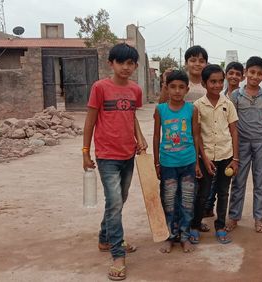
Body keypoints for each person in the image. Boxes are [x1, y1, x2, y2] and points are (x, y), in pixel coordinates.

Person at [82, 43, 148, 281]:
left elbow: (131, 117)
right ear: (111, 63)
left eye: (130, 63)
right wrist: (85, 152)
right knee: (115, 202)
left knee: (118, 200)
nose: (126, 67)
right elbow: (90, 121)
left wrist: (140, 138)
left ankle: (104, 238)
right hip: (107, 155)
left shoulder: (135, 90)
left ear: (135, 66)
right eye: (121, 62)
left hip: (128, 154)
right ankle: (118, 254)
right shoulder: (100, 88)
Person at [153, 70, 202, 254]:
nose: (177, 91)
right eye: (172, 86)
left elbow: (196, 135)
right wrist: (157, 163)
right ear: (166, 88)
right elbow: (157, 135)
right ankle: (169, 237)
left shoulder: (192, 109)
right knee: (169, 201)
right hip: (168, 164)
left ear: (187, 89)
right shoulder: (161, 110)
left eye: (181, 87)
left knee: (187, 201)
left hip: (188, 162)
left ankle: (185, 236)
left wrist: (197, 162)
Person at [226, 56, 262, 233]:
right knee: (238, 181)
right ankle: (233, 216)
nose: (255, 76)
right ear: (245, 73)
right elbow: (231, 123)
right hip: (242, 144)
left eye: (259, 74)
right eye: (252, 72)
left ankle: (259, 218)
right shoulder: (236, 95)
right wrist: (233, 149)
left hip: (261, 144)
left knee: (260, 182)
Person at [192, 64, 239, 244]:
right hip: (206, 157)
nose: (217, 85)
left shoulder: (228, 104)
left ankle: (220, 227)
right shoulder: (197, 106)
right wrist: (203, 158)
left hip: (226, 156)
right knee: (202, 193)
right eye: (213, 82)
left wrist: (235, 159)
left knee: (223, 192)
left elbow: (234, 131)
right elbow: (197, 135)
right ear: (204, 83)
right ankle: (195, 225)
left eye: (220, 81)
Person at [203, 61, 245, 218]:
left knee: (224, 186)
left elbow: (235, 130)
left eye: (237, 74)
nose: (234, 76)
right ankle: (206, 208)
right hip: (209, 150)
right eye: (231, 73)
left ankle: (224, 218)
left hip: (228, 149)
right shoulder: (204, 103)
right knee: (207, 186)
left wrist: (235, 156)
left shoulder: (235, 99)